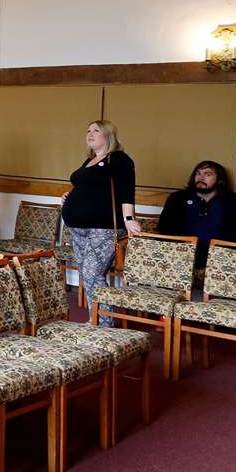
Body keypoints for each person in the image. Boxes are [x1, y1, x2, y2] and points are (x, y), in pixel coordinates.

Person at [61, 120, 140, 326]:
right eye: (88, 130)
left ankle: (103, 322)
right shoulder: (90, 160)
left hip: (103, 228)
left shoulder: (119, 159)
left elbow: (126, 191)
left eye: (96, 130)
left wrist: (129, 219)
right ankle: (96, 318)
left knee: (90, 272)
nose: (90, 134)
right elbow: (88, 188)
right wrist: (70, 196)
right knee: (89, 275)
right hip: (77, 228)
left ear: (108, 135)